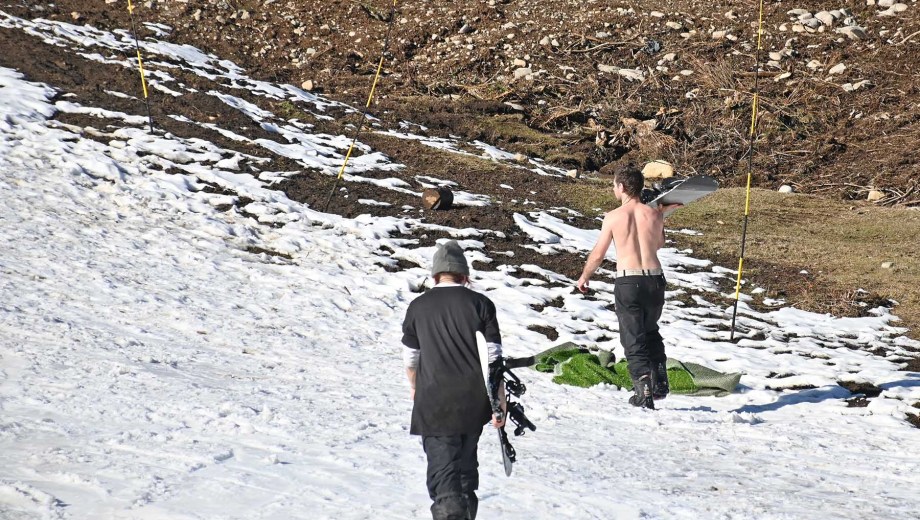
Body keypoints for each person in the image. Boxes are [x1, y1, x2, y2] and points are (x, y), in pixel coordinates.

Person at [402, 240, 505, 520]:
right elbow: (494, 359)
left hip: (434, 402)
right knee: (465, 473)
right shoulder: (482, 304)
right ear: (465, 275)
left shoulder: (418, 306)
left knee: (445, 479)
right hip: (473, 403)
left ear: (435, 275)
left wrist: (415, 386)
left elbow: (411, 358)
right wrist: (500, 404)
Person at [576, 165, 681, 409]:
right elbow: (658, 244)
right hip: (655, 279)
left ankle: (643, 392)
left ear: (621, 187)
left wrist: (585, 276)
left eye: (614, 185)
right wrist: (661, 214)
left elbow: (598, 254)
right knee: (650, 329)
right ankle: (660, 382)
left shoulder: (613, 217)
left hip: (628, 280)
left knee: (633, 338)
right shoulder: (654, 214)